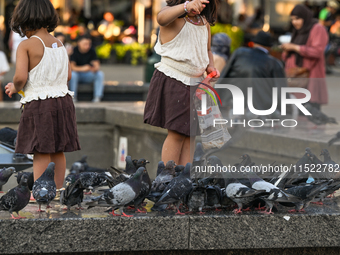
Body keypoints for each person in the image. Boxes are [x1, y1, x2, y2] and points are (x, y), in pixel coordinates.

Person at [4, 0, 81, 190]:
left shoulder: (27, 45)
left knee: (40, 150)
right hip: (63, 103)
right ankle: (57, 190)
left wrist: (15, 86)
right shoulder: (59, 43)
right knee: (58, 149)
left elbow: (21, 77)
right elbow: (68, 75)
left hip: (40, 105)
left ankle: (41, 191)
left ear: (24, 19)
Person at [143, 0, 220, 166]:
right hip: (174, 79)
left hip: (196, 84)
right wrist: (185, 7)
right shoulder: (173, 18)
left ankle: (185, 176)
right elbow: (161, 18)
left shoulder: (204, 23)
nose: (197, 6)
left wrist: (210, 66)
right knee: (177, 132)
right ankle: (166, 177)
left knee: (191, 134)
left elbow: (206, 50)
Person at [217, 31, 286, 113]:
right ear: (269, 47)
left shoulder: (239, 52)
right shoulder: (274, 63)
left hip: (232, 102)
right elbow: (281, 90)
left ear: (253, 43)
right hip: (260, 108)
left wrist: (217, 96)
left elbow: (224, 74)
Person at [282, 4, 328, 110]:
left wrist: (295, 47)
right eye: (292, 19)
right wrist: (286, 50)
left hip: (311, 76)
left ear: (305, 17)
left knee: (311, 112)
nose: (294, 22)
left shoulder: (317, 29)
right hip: (296, 78)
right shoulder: (298, 31)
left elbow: (317, 51)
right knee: (297, 113)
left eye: (297, 19)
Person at [69, 35, 104, 102]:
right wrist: (83, 68)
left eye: (89, 44)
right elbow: (72, 67)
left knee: (100, 74)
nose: (87, 46)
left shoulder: (92, 50)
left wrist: (95, 68)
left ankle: (97, 97)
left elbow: (97, 64)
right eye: (85, 44)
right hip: (77, 75)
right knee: (73, 75)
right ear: (79, 43)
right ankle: (73, 97)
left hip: (88, 74)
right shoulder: (74, 51)